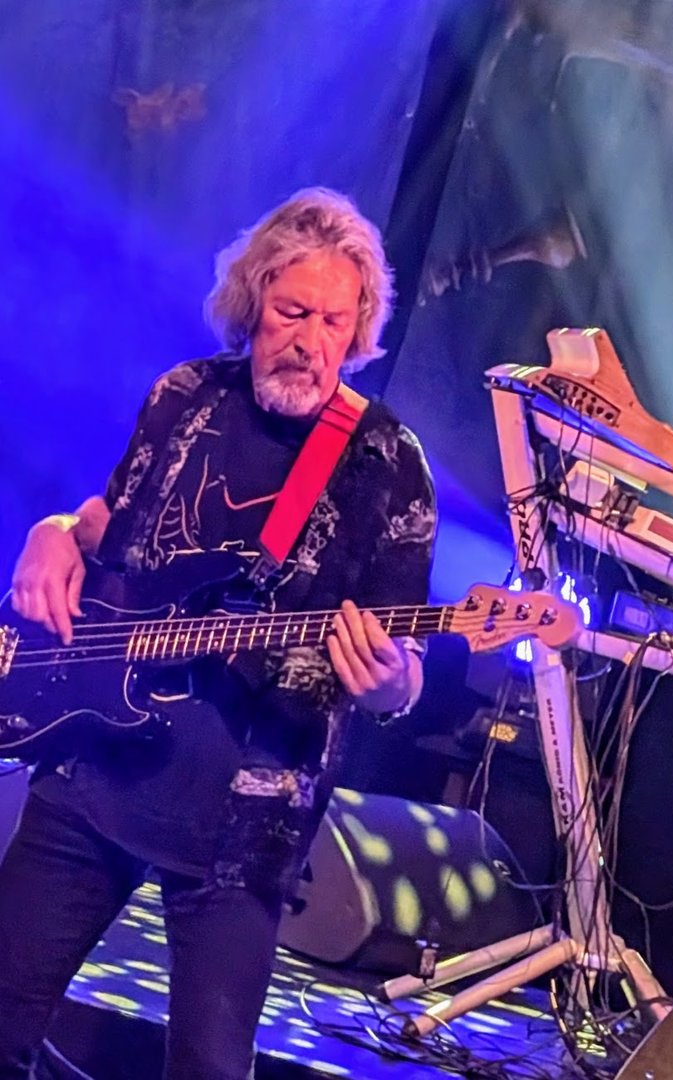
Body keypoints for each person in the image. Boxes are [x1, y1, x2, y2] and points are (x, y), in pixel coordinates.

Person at [0, 188, 436, 1078]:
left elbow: (407, 673)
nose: (310, 340)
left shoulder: (388, 463)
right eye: (292, 312)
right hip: (95, 770)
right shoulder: (185, 396)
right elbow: (108, 532)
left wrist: (389, 680)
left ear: (358, 330)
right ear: (253, 300)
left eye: (333, 322)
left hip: (240, 831)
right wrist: (51, 532)